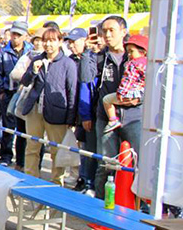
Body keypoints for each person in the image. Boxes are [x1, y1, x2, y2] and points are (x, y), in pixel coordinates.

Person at [82, 16, 143, 197]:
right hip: (106, 118)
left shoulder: (136, 55)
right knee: (106, 164)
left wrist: (140, 99)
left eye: (112, 30)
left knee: (137, 163)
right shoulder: (100, 57)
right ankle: (101, 207)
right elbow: (85, 77)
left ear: (123, 32)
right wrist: (87, 51)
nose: (107, 35)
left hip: (134, 116)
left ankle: (138, 208)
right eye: (104, 31)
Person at [19, 26, 77, 184]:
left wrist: (71, 118)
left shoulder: (68, 64)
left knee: (56, 151)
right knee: (32, 147)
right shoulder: (37, 59)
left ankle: (56, 183)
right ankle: (30, 180)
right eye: (45, 41)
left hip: (57, 113)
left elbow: (72, 91)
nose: (48, 44)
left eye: (52, 41)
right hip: (35, 109)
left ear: (60, 42)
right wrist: (34, 72)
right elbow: (25, 81)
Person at [0, 20, 33, 170]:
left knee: (23, 129)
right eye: (13, 34)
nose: (14, 37)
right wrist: (1, 91)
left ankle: (21, 160)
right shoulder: (4, 52)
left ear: (25, 36)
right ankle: (6, 155)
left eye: (18, 35)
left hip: (25, 94)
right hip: (8, 93)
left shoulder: (31, 52)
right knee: (7, 126)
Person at [66, 27, 97, 193]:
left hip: (88, 111)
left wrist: (85, 114)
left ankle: (88, 182)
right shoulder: (70, 60)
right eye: (69, 42)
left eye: (74, 42)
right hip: (77, 111)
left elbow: (86, 84)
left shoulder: (92, 59)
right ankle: (82, 178)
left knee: (88, 149)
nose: (71, 45)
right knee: (81, 146)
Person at [102, 35, 147, 134]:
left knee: (106, 99)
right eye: (128, 51)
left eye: (131, 51)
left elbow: (128, 80)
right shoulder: (147, 64)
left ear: (142, 51)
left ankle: (112, 120)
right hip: (140, 93)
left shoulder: (132, 64)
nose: (129, 54)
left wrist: (121, 93)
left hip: (129, 94)